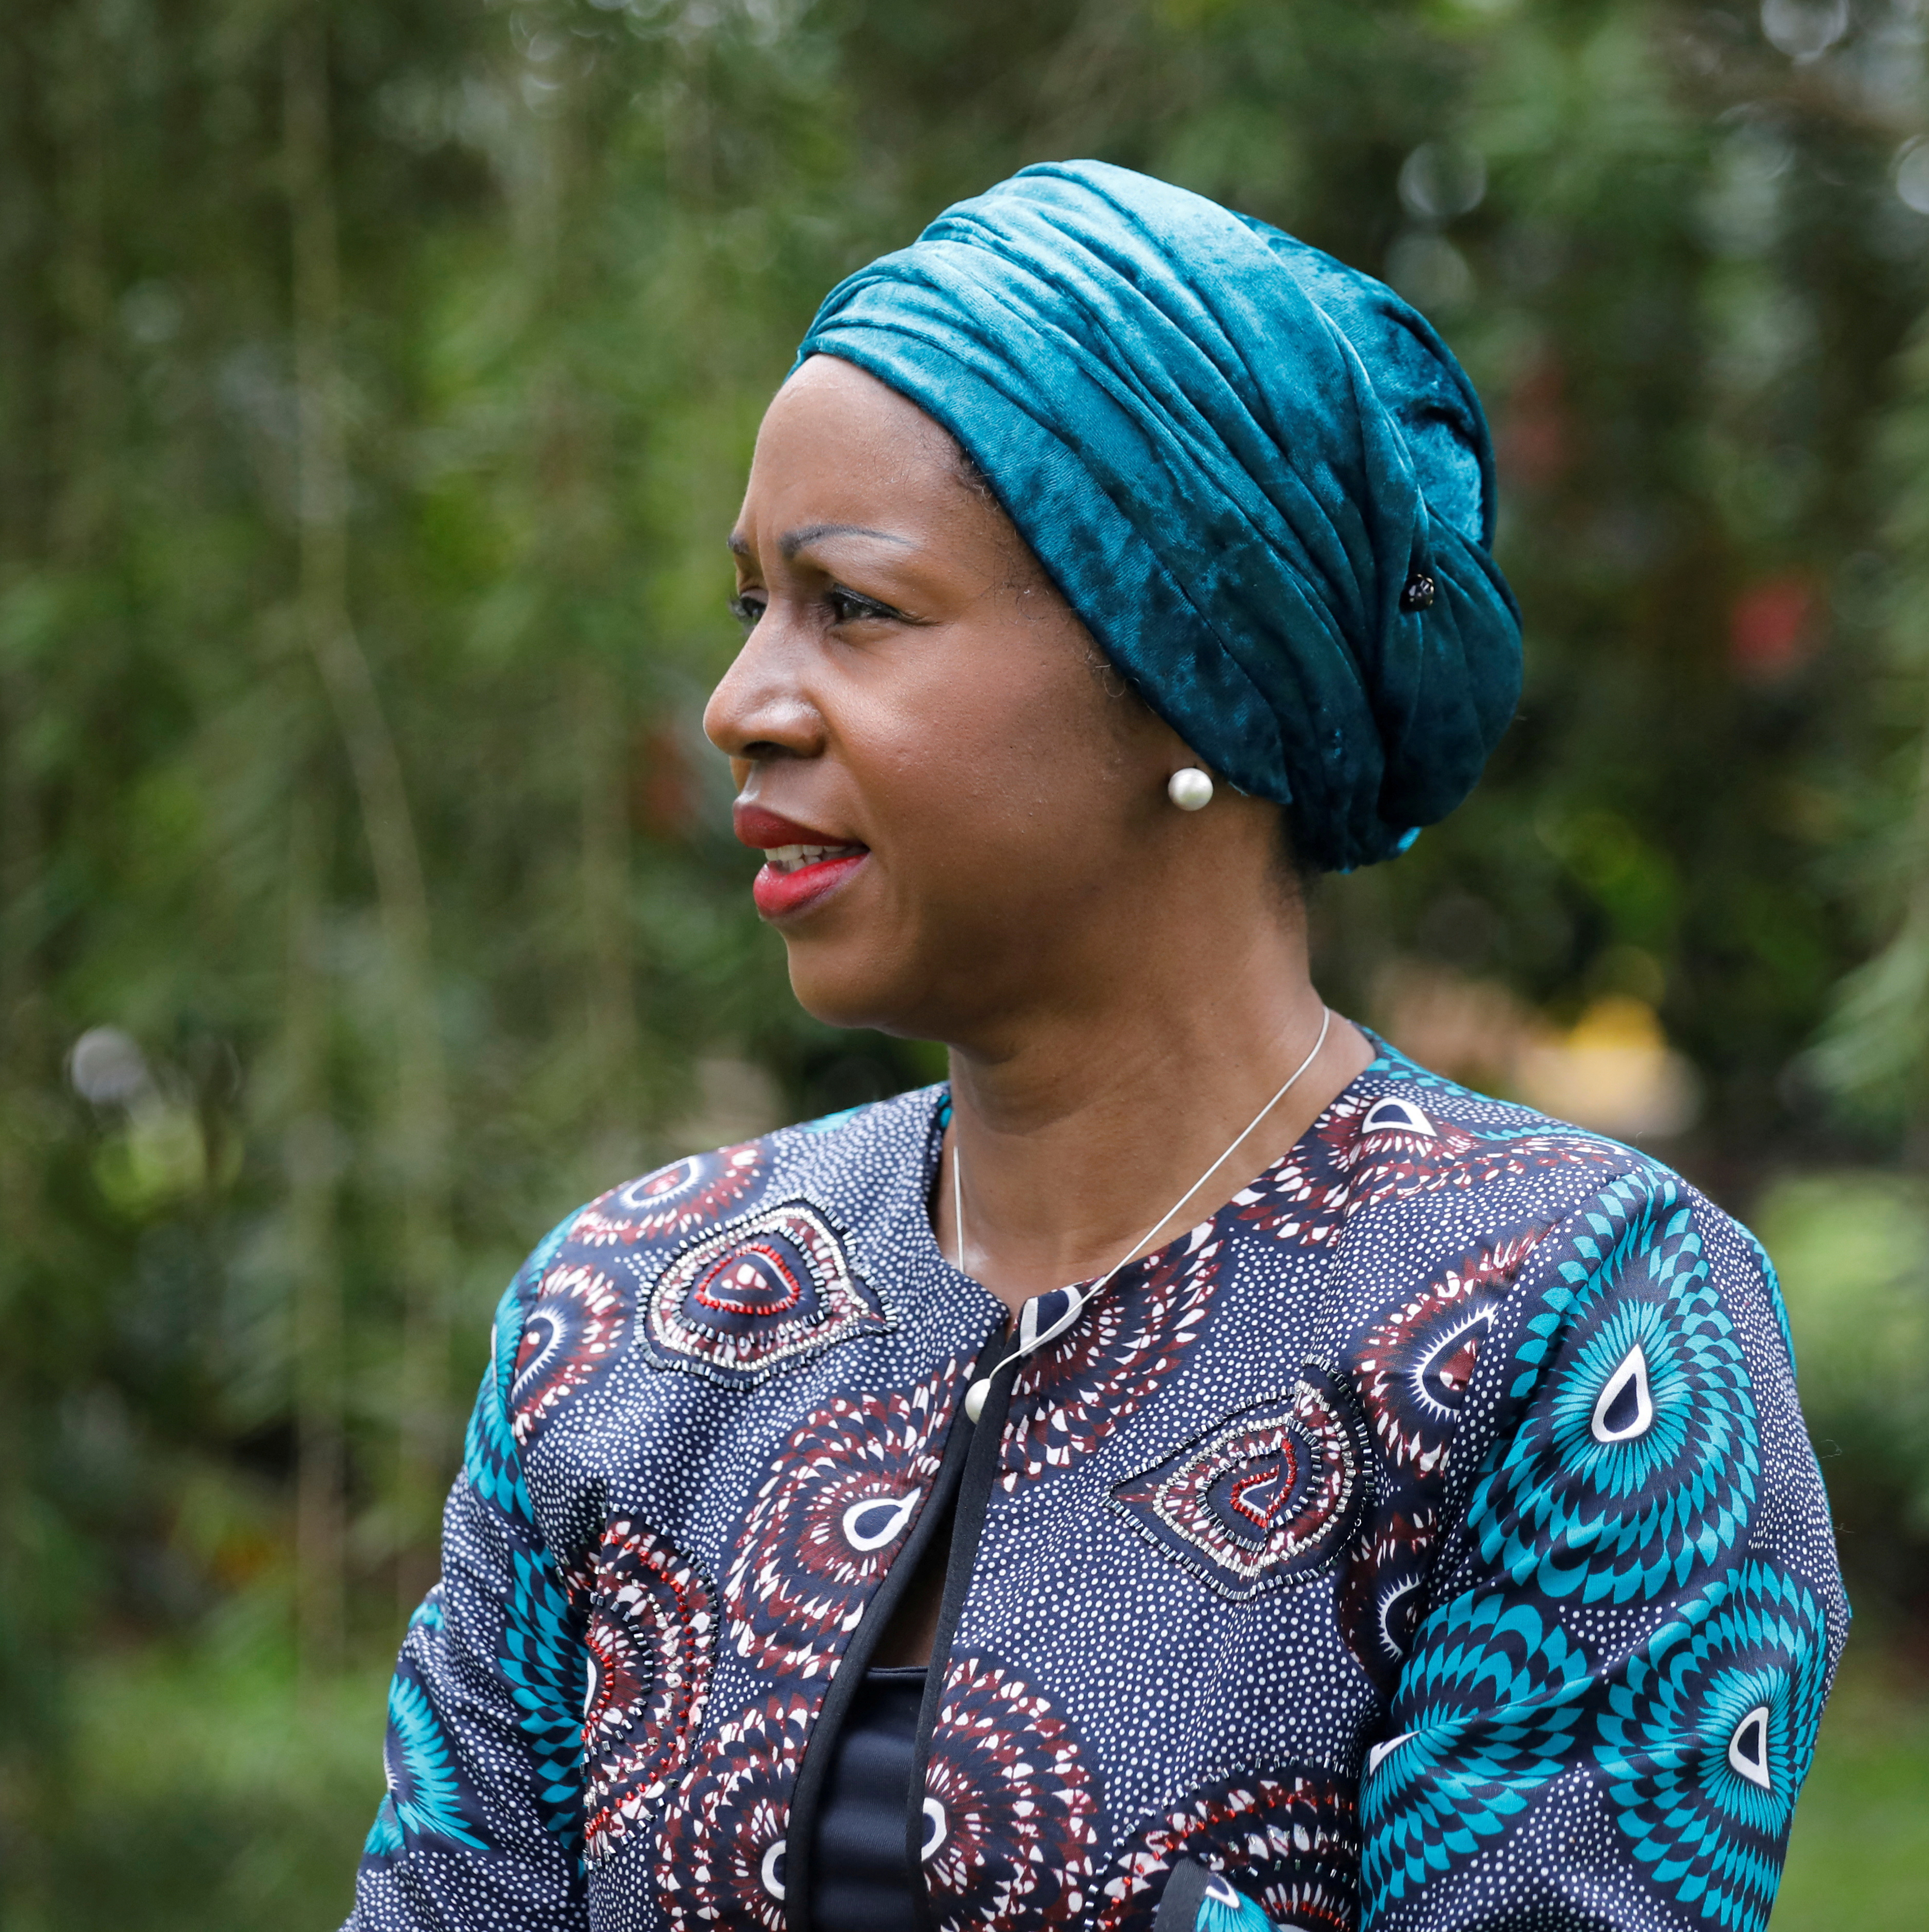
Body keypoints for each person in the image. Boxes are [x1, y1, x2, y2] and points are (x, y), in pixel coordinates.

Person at [350, 162, 1845, 1932]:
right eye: (750, 604)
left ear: (1188, 673)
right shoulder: (629, 1319)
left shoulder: (1566, 1326)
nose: (741, 704)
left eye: (857, 610)